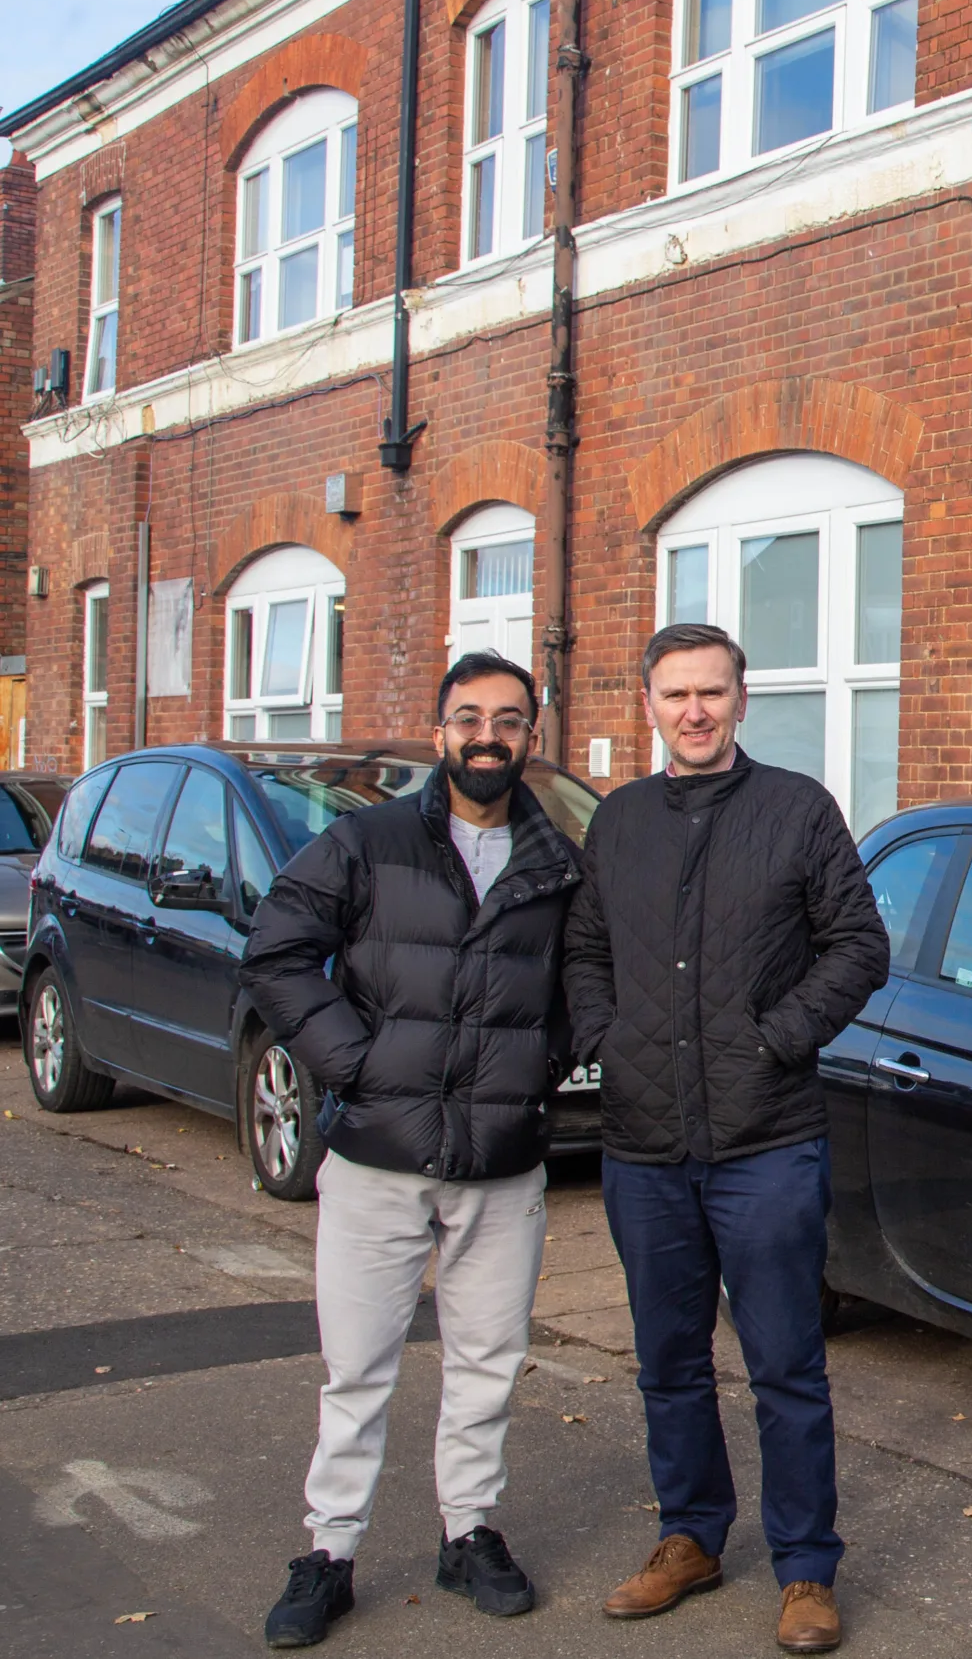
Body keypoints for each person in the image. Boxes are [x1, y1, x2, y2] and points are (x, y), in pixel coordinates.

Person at [240, 653, 583, 1648]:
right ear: (440, 731)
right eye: (469, 716)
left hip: (501, 1162)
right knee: (358, 1367)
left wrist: (535, 1070)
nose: (489, 735)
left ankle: (468, 1530)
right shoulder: (367, 840)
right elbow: (275, 950)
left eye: (509, 719)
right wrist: (356, 1061)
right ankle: (329, 1550)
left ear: (531, 734)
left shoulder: (558, 861)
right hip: (377, 1157)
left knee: (488, 1357)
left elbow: (581, 988)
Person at [564, 622, 889, 1655]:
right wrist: (603, 1036)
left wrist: (779, 1036)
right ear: (648, 703)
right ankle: (690, 1536)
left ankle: (804, 1567)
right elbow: (584, 946)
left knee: (786, 1362)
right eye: (675, 693)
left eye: (711, 691)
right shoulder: (616, 821)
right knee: (669, 1359)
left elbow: (858, 944)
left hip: (767, 1141)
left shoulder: (796, 810)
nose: (693, 710)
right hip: (644, 1144)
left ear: (742, 700)